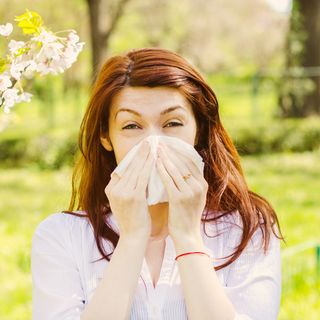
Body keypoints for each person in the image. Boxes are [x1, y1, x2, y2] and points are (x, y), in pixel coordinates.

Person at [31, 47, 283, 320]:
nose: (153, 144)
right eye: (131, 126)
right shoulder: (61, 237)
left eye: (172, 123)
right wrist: (131, 238)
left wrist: (187, 237)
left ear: (199, 130)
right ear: (106, 137)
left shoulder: (246, 228)